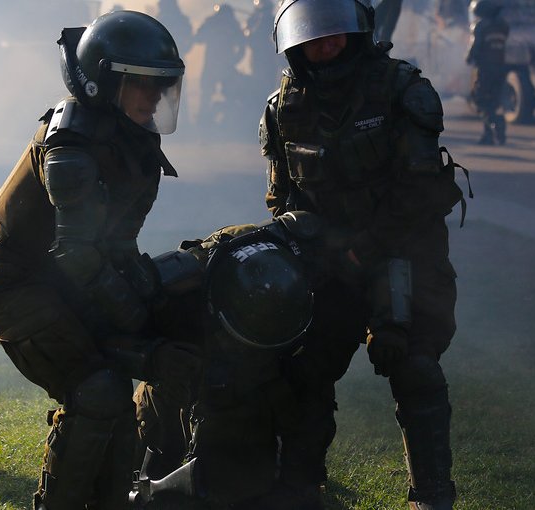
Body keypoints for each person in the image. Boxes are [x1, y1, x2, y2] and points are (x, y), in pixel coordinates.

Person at [0, 11, 201, 510]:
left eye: (161, 86)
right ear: (105, 83)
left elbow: (112, 248)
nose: (155, 97)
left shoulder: (134, 140)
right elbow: (77, 255)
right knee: (97, 392)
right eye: (142, 85)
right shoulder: (70, 145)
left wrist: (156, 308)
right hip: (13, 281)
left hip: (67, 276)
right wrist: (138, 330)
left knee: (170, 343)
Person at [260, 0, 470, 508]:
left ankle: (432, 497)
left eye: (334, 34)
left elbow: (419, 192)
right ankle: (299, 486)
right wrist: (318, 248)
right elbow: (282, 199)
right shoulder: (283, 106)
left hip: (408, 255)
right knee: (304, 370)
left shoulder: (403, 90)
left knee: (415, 367)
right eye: (312, 36)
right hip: (329, 268)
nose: (324, 45)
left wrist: (368, 248)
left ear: (358, 32)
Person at [128, 213, 326, 509]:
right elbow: (127, 339)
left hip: (246, 400)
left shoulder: (294, 276)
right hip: (178, 390)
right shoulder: (176, 294)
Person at [465, 0, 509, 145]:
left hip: (485, 70)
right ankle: (492, 131)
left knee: (481, 101)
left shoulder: (480, 26)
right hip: (500, 69)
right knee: (494, 101)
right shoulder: (503, 26)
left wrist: (469, 58)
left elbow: (475, 48)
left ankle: (493, 128)